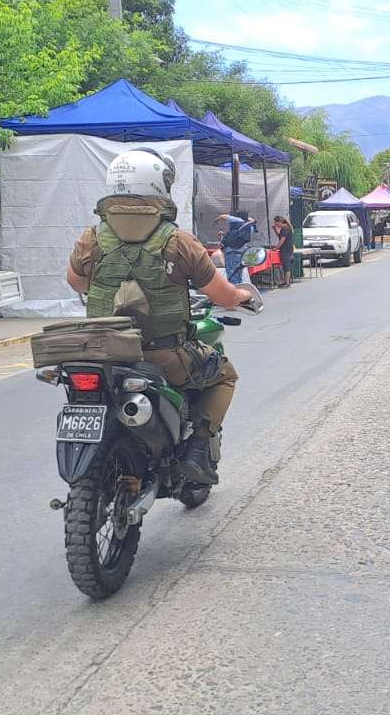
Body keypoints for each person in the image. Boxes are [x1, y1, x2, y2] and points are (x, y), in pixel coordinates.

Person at [66, 148, 253, 486]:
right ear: (160, 186)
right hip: (161, 354)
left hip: (100, 352)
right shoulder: (179, 241)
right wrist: (242, 294)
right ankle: (197, 448)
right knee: (224, 375)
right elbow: (222, 296)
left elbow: (76, 281)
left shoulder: (91, 237)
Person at [216, 210, 256, 285]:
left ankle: (234, 291)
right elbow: (237, 236)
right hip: (242, 252)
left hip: (232, 252)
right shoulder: (249, 226)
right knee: (238, 273)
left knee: (232, 274)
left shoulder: (238, 220)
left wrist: (217, 218)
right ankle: (239, 289)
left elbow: (224, 216)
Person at [272, 215, 294, 288]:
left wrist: (276, 247)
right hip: (287, 249)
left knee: (286, 266)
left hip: (285, 249)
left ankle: (287, 282)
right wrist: (275, 230)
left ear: (279, 222)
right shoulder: (285, 228)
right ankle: (286, 281)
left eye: (276, 223)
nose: (276, 224)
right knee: (286, 265)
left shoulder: (285, 228)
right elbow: (280, 236)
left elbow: (282, 240)